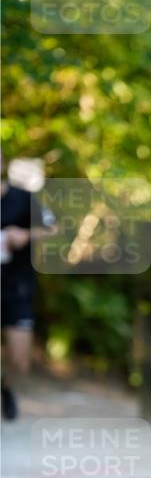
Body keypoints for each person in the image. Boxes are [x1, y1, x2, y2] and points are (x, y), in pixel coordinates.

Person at [1, 150, 54, 420]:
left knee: (20, 360)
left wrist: (25, 234)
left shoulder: (23, 198)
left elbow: (54, 228)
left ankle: (6, 387)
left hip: (16, 287)